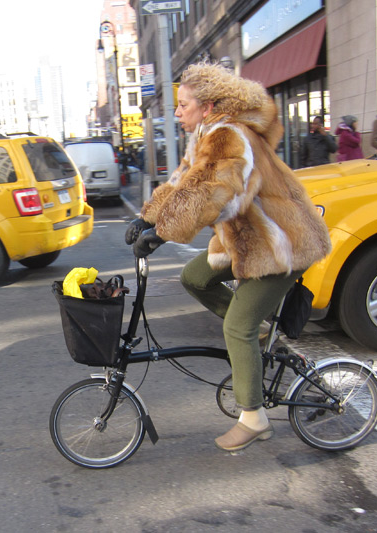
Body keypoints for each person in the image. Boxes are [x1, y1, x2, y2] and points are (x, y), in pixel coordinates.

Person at [125, 62, 331, 452]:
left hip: (279, 246)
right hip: (244, 241)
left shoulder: (230, 136)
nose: (178, 112)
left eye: (184, 105)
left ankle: (254, 419)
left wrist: (163, 234)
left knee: (237, 327)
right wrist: (146, 217)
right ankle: (264, 333)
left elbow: (213, 191)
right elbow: (184, 180)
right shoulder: (206, 135)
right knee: (195, 277)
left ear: (207, 107)